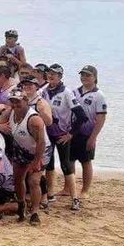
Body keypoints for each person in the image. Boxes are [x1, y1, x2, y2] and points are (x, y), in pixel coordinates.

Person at [40, 64, 84, 210]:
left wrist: (70, 134)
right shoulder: (43, 91)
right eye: (49, 73)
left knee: (66, 166)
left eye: (55, 74)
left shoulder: (66, 92)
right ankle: (50, 194)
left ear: (60, 77)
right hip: (47, 134)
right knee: (48, 164)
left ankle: (75, 198)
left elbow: (81, 116)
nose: (51, 76)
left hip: (61, 134)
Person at [5, 89, 49, 225]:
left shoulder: (34, 120)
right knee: (18, 180)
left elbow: (41, 142)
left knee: (34, 181)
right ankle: (21, 205)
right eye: (12, 101)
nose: (14, 105)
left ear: (26, 101)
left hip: (40, 150)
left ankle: (35, 212)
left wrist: (36, 162)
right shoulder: (10, 111)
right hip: (21, 149)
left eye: (17, 101)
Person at [71, 65, 107, 201]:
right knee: (70, 160)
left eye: (88, 75)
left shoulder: (99, 95)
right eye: (83, 75)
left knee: (86, 161)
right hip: (73, 132)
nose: (84, 77)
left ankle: (85, 190)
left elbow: (101, 118)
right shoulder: (74, 92)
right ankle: (69, 188)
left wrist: (93, 137)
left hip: (88, 134)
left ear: (95, 77)